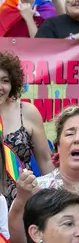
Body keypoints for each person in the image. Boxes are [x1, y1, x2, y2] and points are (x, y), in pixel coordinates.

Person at [8, 107, 79, 243]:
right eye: (70, 133)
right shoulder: (38, 189)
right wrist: (22, 200)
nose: (77, 139)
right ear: (58, 147)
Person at [0, 51, 52, 201]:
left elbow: (45, 161)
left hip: (24, 201)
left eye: (5, 80)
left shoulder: (27, 112)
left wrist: (51, 201)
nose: (0, 87)